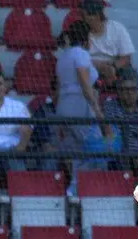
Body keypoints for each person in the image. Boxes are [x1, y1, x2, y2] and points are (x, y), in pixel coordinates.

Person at [56, 20, 111, 183]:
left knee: (76, 155)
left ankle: (74, 188)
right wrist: (98, 112)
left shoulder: (63, 57)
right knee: (96, 148)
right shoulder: (81, 54)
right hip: (80, 107)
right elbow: (85, 85)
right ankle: (95, 187)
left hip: (63, 107)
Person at [103, 74, 138, 177]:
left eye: (133, 89)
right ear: (119, 92)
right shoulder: (111, 108)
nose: (129, 93)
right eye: (125, 89)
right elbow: (108, 133)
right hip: (120, 155)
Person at [81, 0, 134, 87]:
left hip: (114, 67)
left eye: (85, 15)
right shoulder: (80, 30)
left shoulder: (117, 28)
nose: (83, 18)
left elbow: (126, 58)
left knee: (129, 73)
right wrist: (100, 66)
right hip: (89, 68)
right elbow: (76, 56)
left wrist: (113, 67)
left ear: (97, 15)